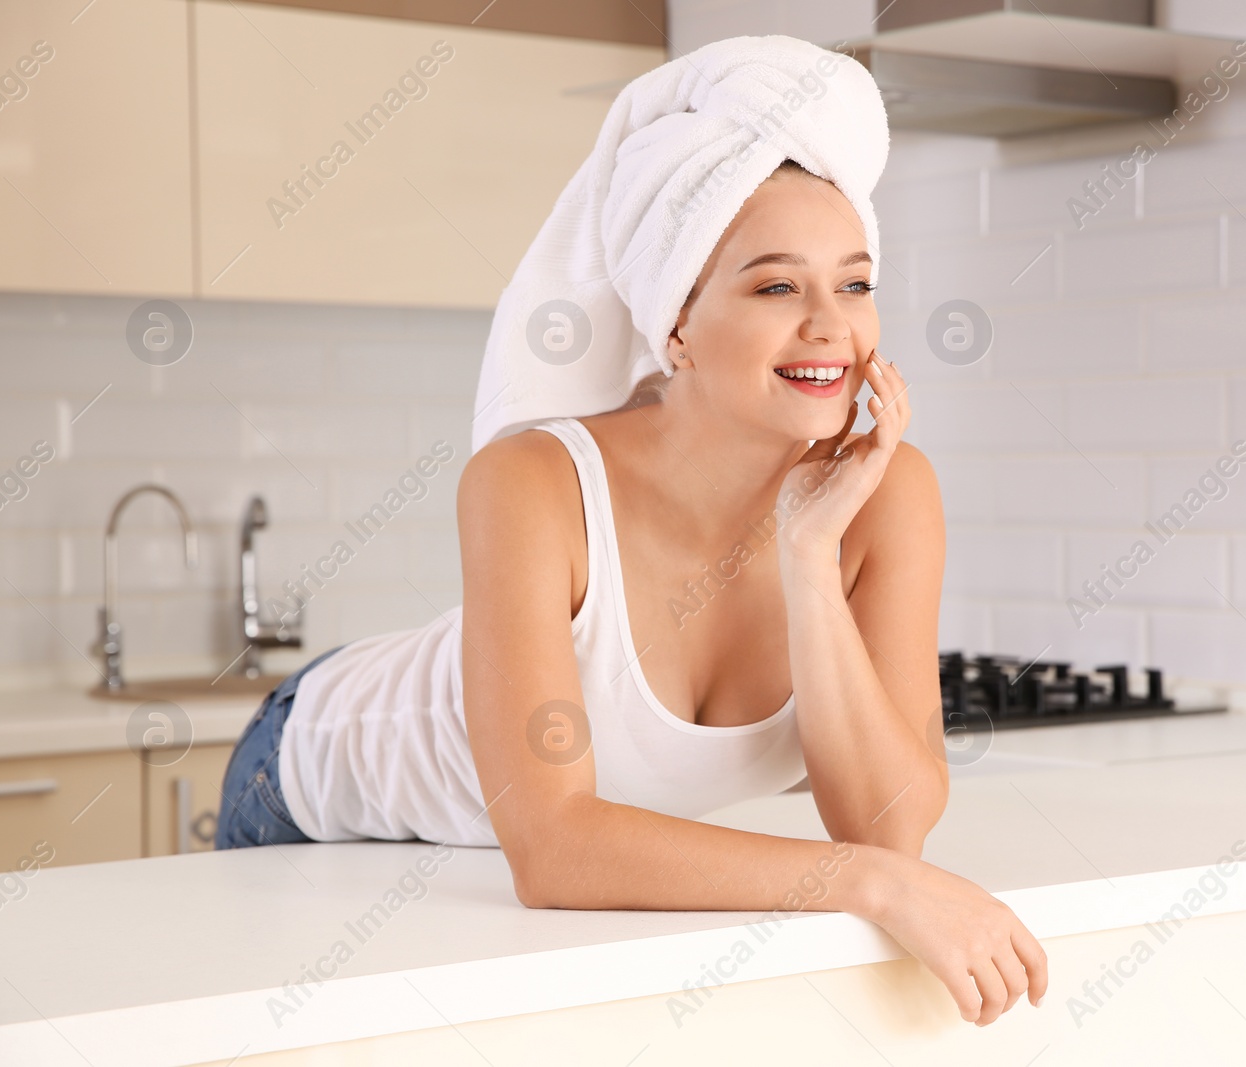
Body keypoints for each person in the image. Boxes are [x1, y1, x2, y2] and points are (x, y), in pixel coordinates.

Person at [216, 35, 1047, 1028]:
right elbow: (556, 849)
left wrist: (808, 554)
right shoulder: (530, 480)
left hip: (475, 862)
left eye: (855, 282)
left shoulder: (885, 491)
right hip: (306, 785)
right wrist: (868, 885)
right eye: (777, 286)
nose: (831, 324)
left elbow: (888, 820)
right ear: (677, 324)